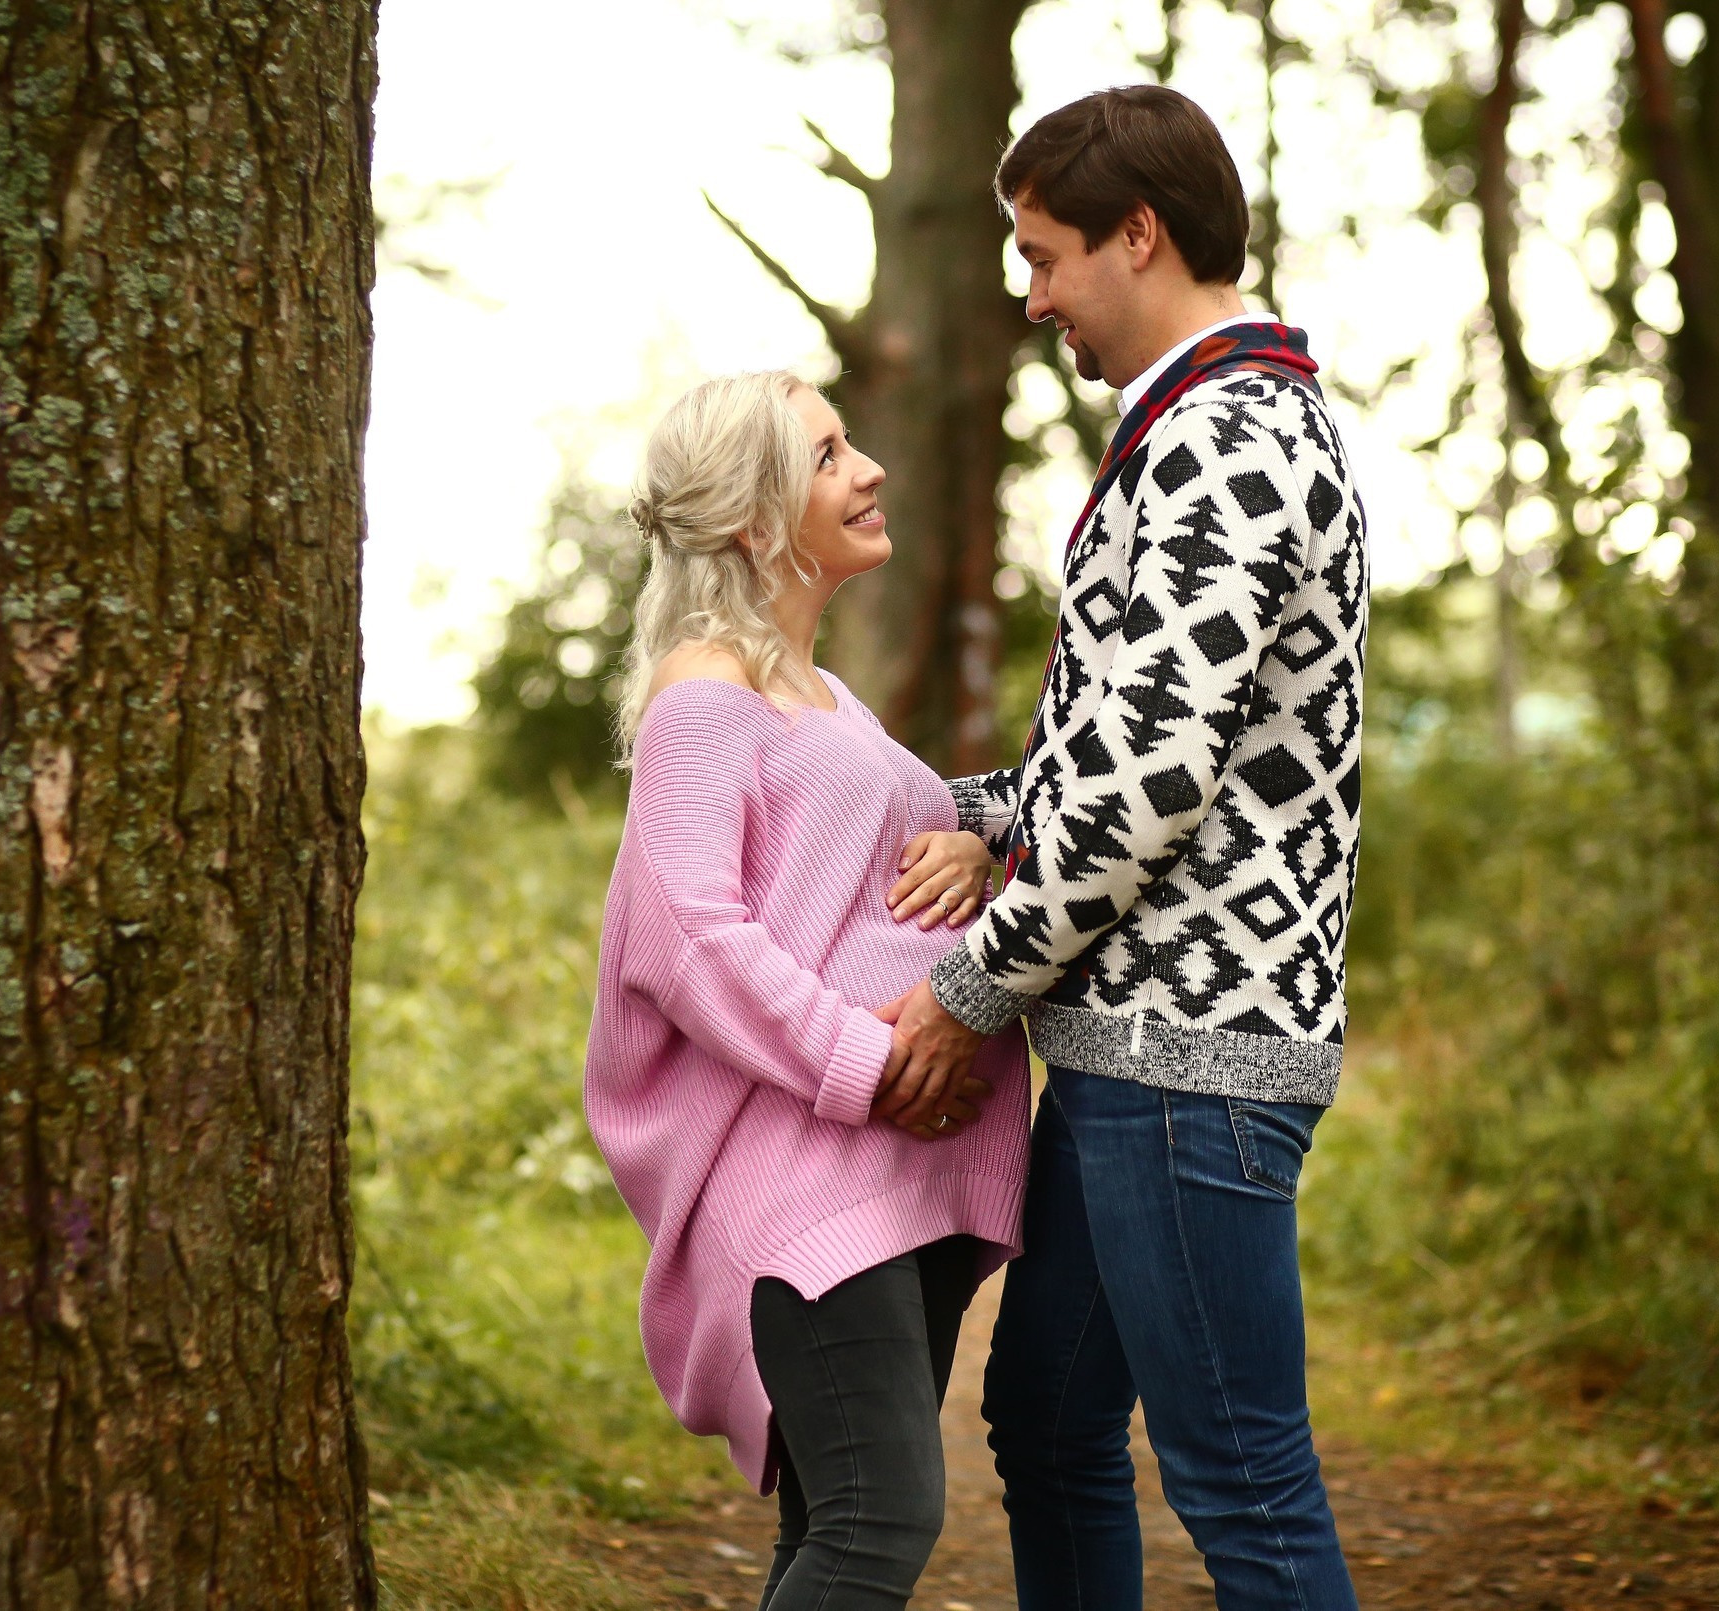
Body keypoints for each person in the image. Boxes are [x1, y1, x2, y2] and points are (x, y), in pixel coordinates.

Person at [878, 86, 1369, 1610]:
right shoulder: (1198, 429)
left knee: (1244, 1482)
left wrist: (967, 987)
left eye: (1044, 256)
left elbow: (1146, 783)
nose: (1032, 299)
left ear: (1138, 234)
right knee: (1048, 1417)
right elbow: (1140, 743)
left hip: (1191, 1057)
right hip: (1134, 1047)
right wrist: (971, 814)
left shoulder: (1229, 439)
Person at [585, 372, 1033, 1610]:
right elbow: (688, 938)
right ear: (749, 515)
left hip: (904, 1171)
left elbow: (862, 883)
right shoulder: (703, 693)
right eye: (829, 453)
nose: (869, 468)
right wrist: (871, 1059)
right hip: (813, 1169)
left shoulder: (823, 696)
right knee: (880, 1518)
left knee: (833, 1527)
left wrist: (978, 845)